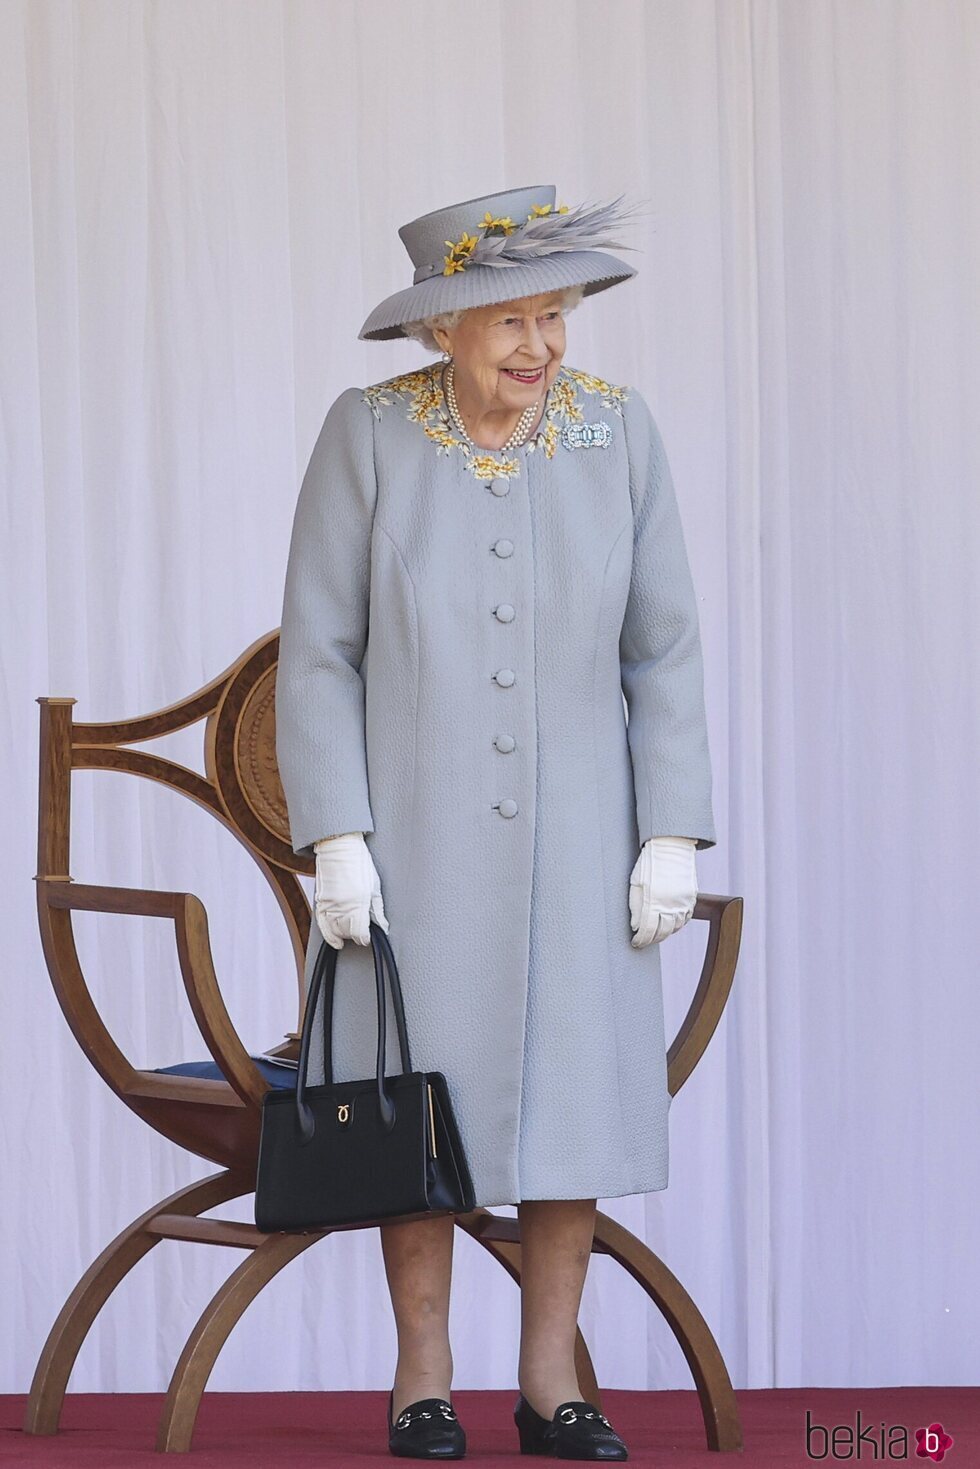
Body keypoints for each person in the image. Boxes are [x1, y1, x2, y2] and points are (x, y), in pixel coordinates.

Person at [275, 184, 717, 1460]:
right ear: (439, 332)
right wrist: (336, 833)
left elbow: (665, 649)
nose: (538, 345)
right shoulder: (367, 436)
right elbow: (319, 654)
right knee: (422, 1100)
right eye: (508, 318)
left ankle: (548, 1383)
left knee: (568, 1103)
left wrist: (669, 826)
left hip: (587, 837)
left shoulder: (617, 433)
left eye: (555, 314)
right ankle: (423, 1376)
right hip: (408, 841)